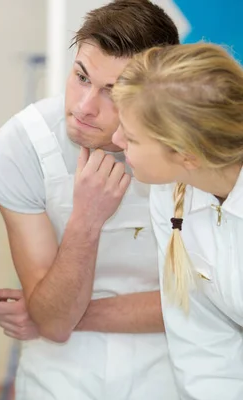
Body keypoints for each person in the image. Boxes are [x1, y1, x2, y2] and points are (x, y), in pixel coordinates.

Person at [0, 1, 180, 398]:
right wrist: (86, 221)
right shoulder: (21, 146)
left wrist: (48, 313)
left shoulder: (194, 149)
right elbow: (55, 323)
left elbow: (210, 302)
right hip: (60, 371)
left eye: (114, 91)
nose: (84, 107)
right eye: (81, 76)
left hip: (175, 366)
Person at [112, 42, 243, 400]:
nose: (115, 140)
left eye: (132, 137)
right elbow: (203, 340)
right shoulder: (169, 195)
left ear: (188, 154)